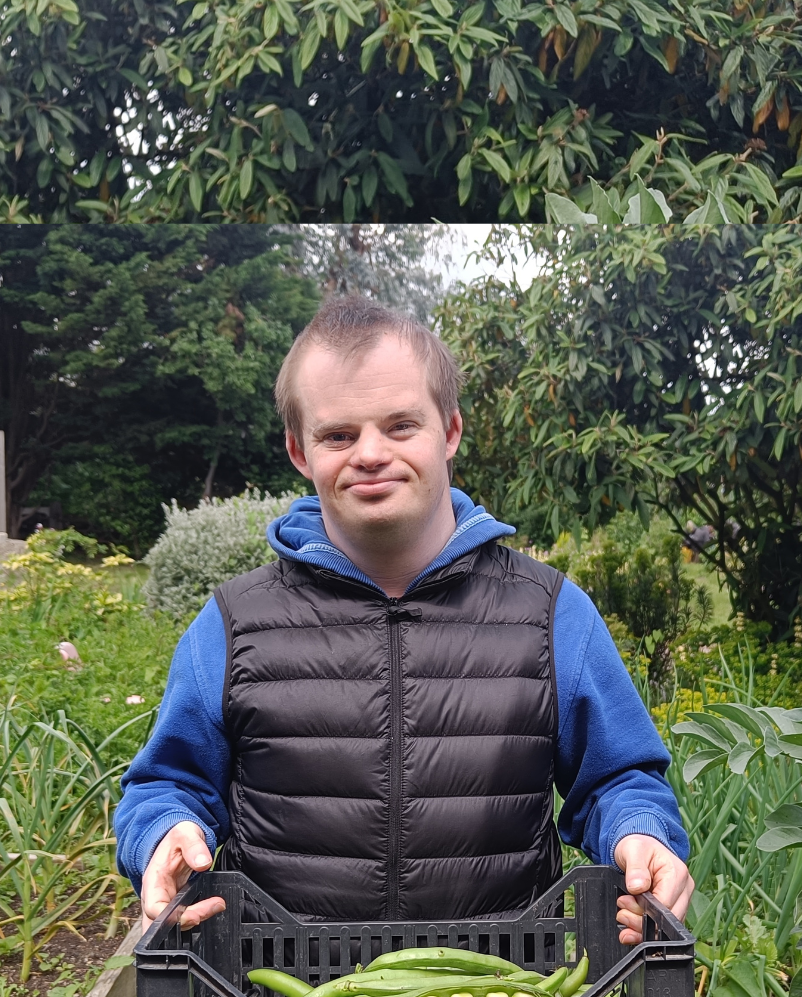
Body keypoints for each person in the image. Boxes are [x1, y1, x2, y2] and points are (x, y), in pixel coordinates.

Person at [114, 296, 693, 946]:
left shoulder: (551, 613)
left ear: (449, 432)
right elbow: (166, 784)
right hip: (284, 981)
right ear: (299, 451)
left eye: (399, 426)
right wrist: (165, 832)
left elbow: (619, 778)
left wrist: (641, 832)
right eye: (338, 434)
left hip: (498, 983)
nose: (370, 453)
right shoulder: (231, 625)